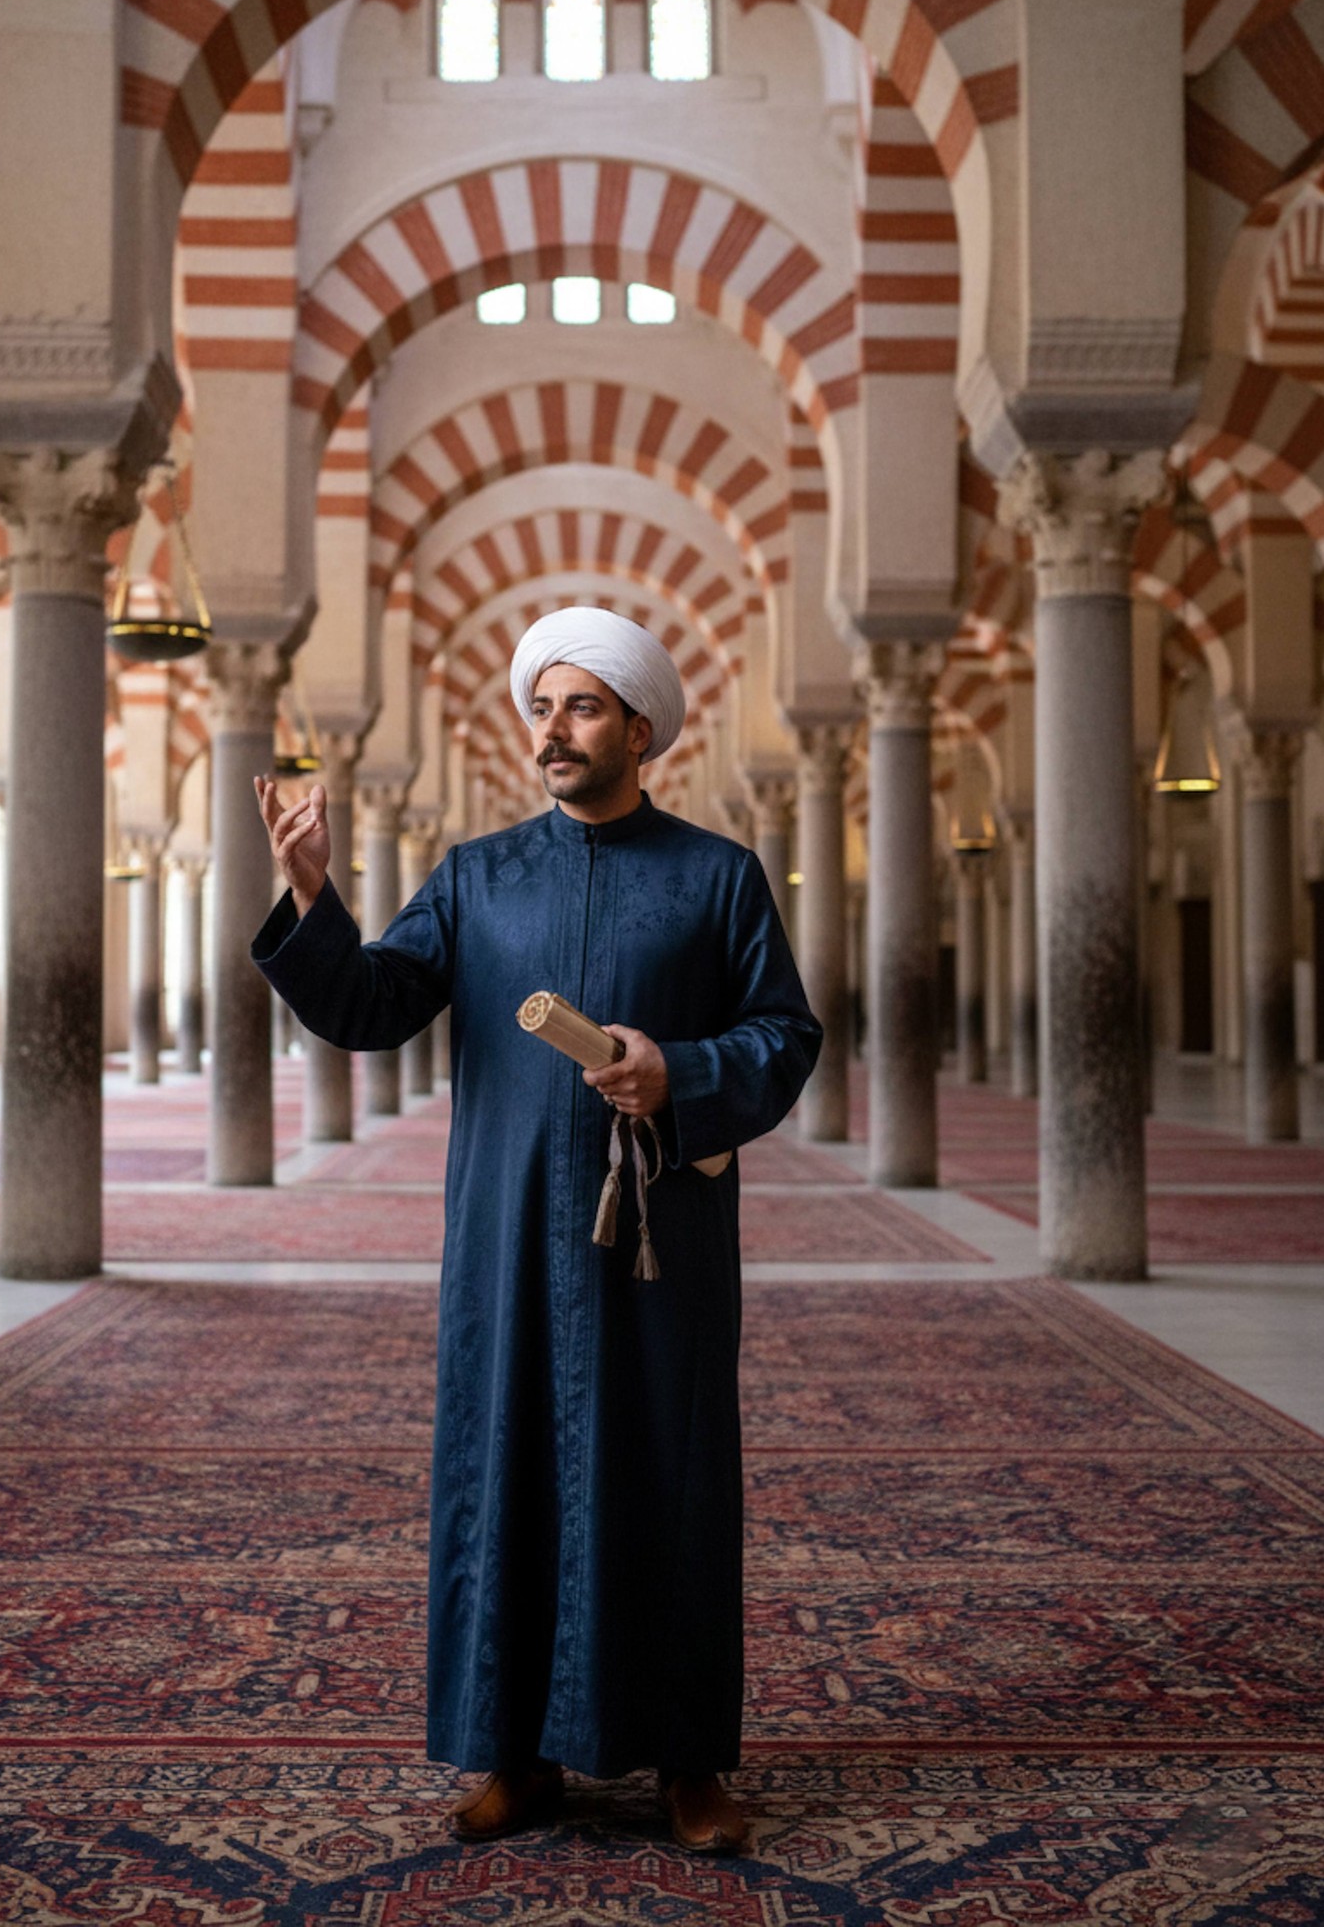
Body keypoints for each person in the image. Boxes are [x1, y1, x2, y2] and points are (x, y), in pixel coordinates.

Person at [251, 606, 821, 1853]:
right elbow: (369, 1007)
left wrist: (678, 1069)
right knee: (506, 1466)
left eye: (579, 707)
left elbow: (785, 1038)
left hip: (659, 1238)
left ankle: (688, 1761)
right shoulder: (476, 874)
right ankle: (514, 1753)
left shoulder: (716, 874)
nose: (552, 731)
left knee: (663, 1476)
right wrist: (312, 894)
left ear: (638, 727)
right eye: (542, 707)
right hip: (508, 1237)